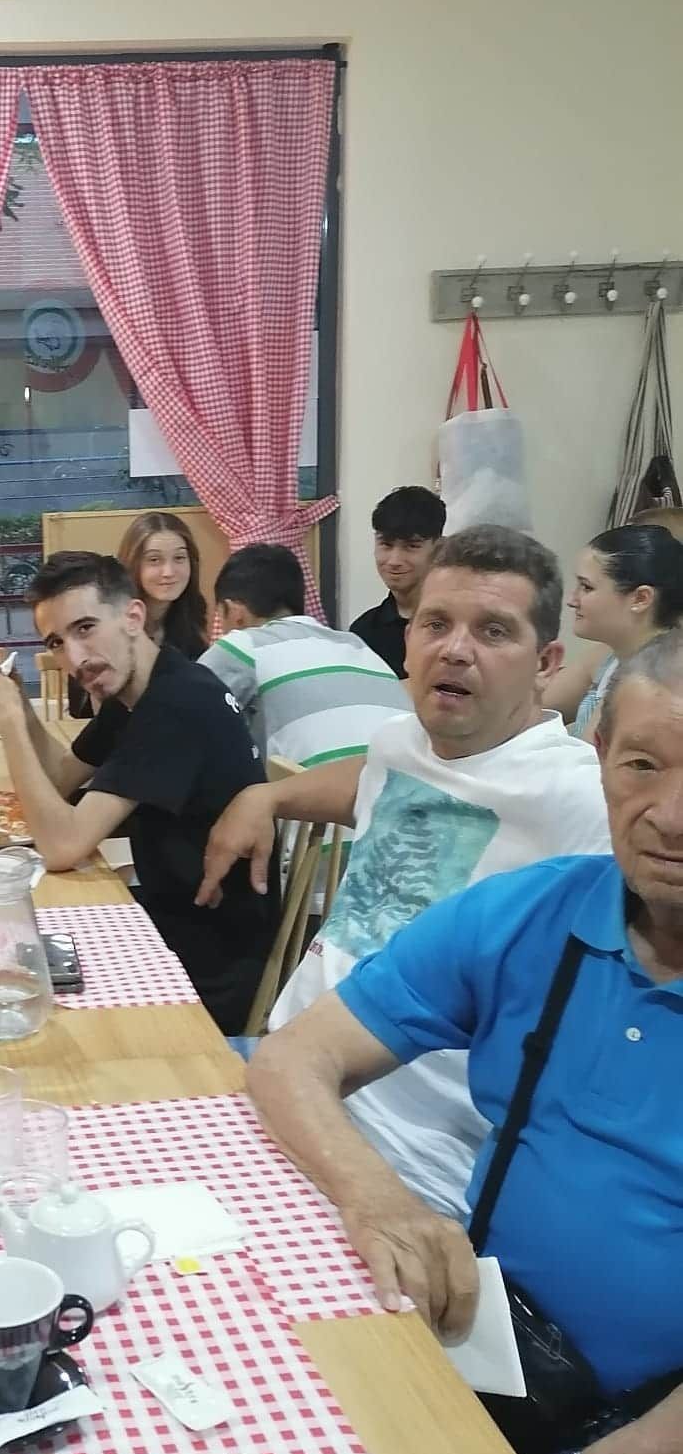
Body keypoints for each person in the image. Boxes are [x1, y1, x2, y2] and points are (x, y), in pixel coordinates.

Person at [210, 633, 683, 1454]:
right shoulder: (535, 914)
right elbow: (294, 1057)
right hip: (504, 1357)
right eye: (644, 764)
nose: (673, 813)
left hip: (660, 1439)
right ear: (600, 760)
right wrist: (376, 1196)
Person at [199, 524, 610, 1219]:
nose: (455, 649)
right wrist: (265, 795)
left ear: (546, 663)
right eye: (436, 624)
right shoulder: (399, 743)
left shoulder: (579, 795)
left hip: (409, 1152)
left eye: (494, 631)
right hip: (278, 1066)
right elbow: (367, 779)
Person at [0, 550, 276, 1035]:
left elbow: (62, 846)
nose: (75, 658)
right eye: (57, 642)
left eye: (85, 628)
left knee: (4, 985)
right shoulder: (144, 686)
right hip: (170, 915)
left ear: (133, 617)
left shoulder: (175, 705)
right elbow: (61, 778)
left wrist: (9, 723)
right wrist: (23, 709)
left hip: (210, 964)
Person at [199, 542, 406, 768]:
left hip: (321, 787)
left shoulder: (244, 644)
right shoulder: (357, 645)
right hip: (410, 781)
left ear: (235, 612)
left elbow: (183, 710)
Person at [541, 522, 683, 741]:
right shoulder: (608, 657)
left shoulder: (661, 684)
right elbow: (527, 707)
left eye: (586, 587)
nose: (572, 600)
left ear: (640, 599)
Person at [67, 509, 208, 718]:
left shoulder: (191, 622)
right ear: (133, 563)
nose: (169, 572)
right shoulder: (111, 623)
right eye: (154, 560)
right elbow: (104, 718)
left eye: (179, 558)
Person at [350, 484, 448, 679]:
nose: (394, 561)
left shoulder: (459, 623)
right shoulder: (363, 632)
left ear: (439, 548)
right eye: (386, 544)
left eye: (411, 546)